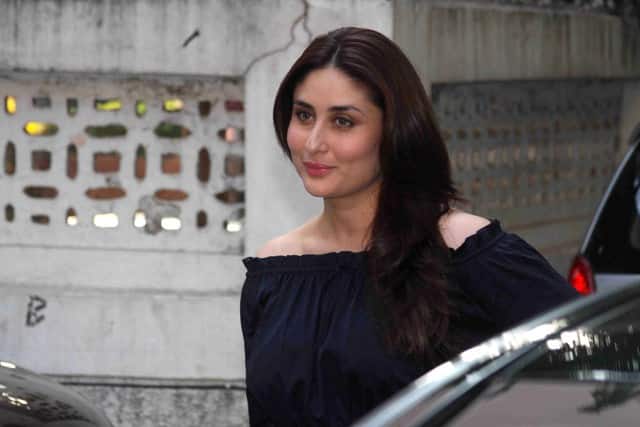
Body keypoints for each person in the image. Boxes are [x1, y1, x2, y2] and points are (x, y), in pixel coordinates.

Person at [240, 27, 578, 426]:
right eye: (304, 115)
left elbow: (601, 367)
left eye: (343, 121)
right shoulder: (273, 272)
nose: (313, 143)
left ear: (395, 130)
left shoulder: (469, 253)